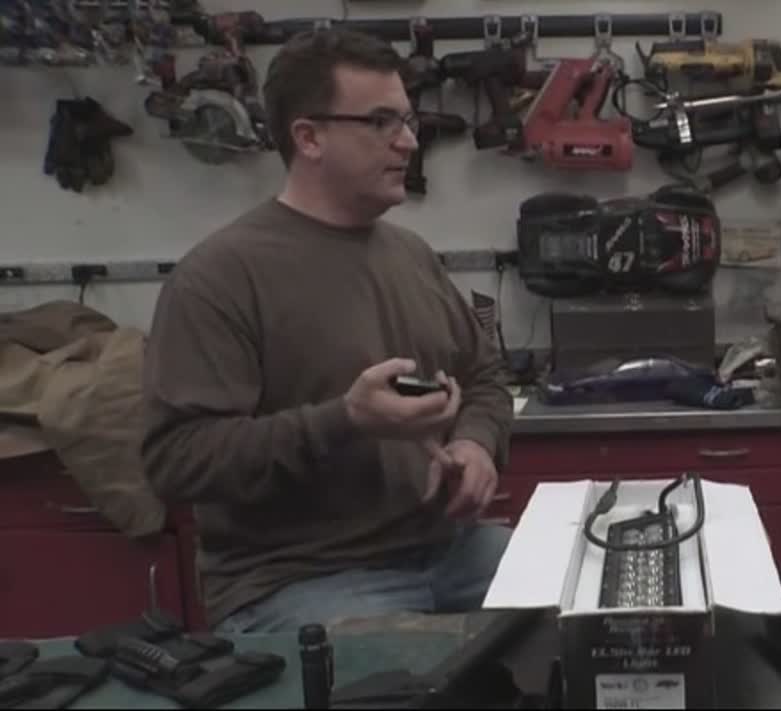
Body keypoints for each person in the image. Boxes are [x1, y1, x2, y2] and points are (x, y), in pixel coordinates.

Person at [141, 28, 514, 633]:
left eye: (407, 121)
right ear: (309, 137)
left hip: (448, 549)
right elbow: (177, 460)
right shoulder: (220, 276)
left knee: (595, 613)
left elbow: (485, 378)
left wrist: (475, 442)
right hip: (301, 577)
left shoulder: (412, 255)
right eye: (381, 122)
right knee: (404, 672)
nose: (408, 141)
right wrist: (344, 421)